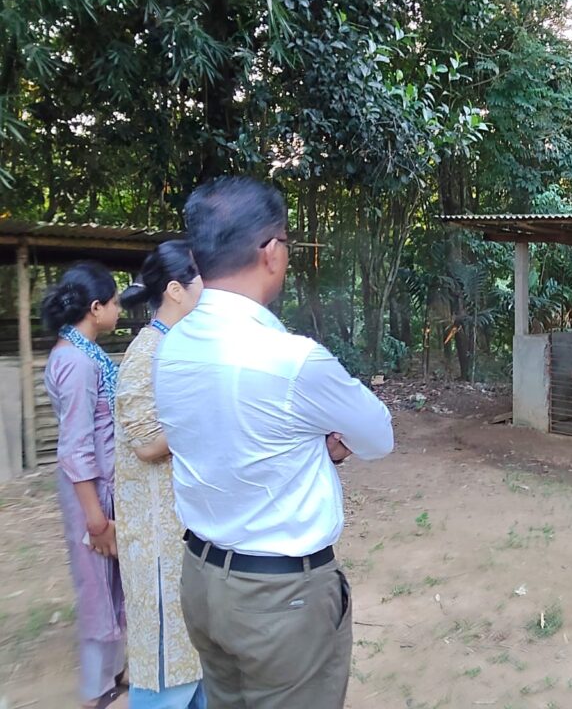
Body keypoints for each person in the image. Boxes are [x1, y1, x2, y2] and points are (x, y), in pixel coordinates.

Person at [154, 177, 394, 709]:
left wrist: (308, 447)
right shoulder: (291, 359)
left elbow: (231, 440)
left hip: (201, 578)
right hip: (279, 598)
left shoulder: (170, 349)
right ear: (270, 252)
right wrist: (329, 445)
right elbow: (378, 435)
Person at [113, 241, 206, 709]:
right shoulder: (146, 352)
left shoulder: (175, 346)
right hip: (156, 537)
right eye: (201, 277)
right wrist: (208, 409)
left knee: (194, 657)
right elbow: (148, 444)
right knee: (166, 663)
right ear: (175, 290)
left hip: (180, 529)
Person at [41, 262, 128, 708]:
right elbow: (75, 445)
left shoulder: (81, 353)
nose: (119, 310)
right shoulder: (76, 362)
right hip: (88, 490)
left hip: (100, 484)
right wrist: (95, 517)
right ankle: (95, 691)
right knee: (97, 583)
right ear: (95, 308)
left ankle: (113, 673)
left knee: (113, 580)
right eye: (114, 303)